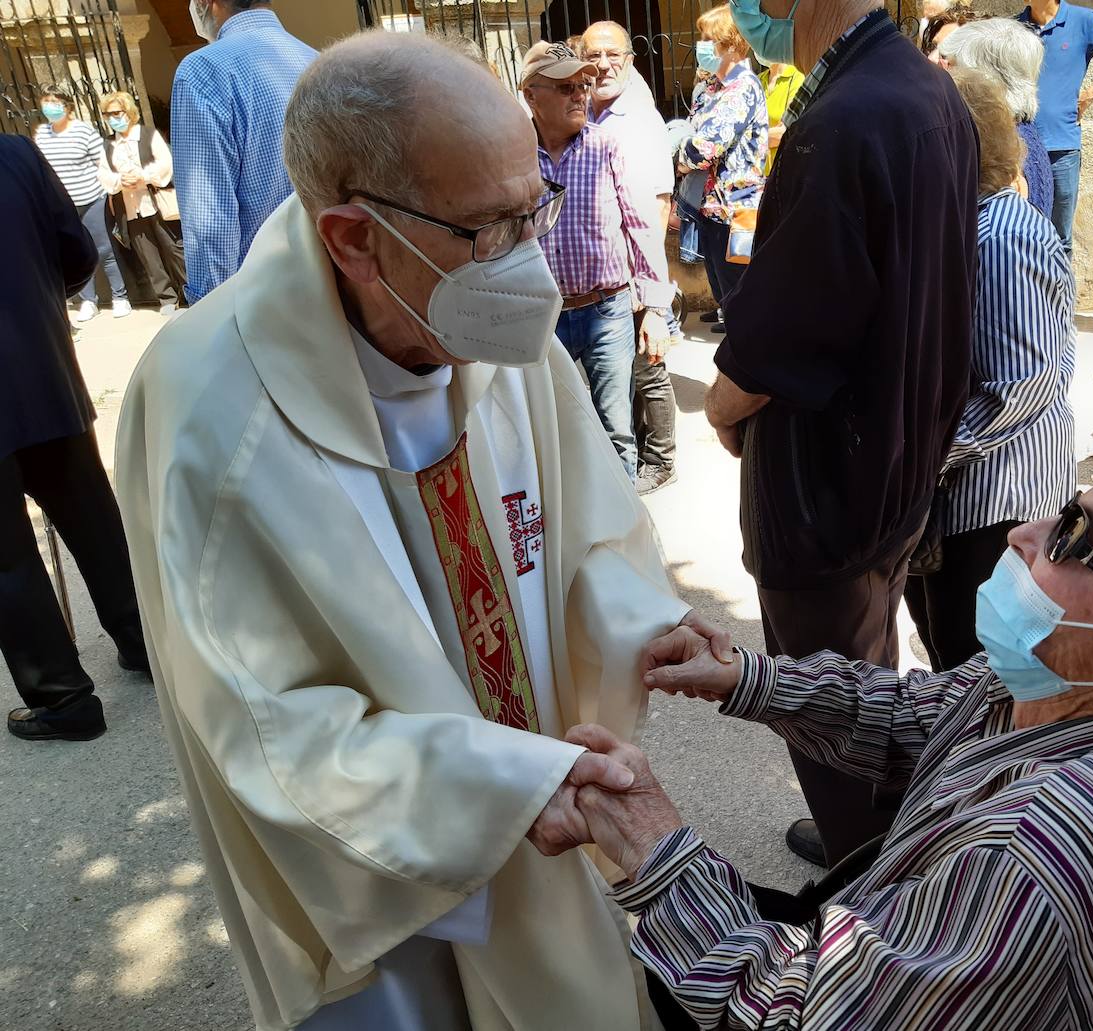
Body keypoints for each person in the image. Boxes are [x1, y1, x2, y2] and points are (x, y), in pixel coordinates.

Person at [116, 31, 717, 1030]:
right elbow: (264, 729)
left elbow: (581, 532)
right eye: (487, 230)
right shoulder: (208, 410)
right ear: (352, 237)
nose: (527, 262)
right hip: (382, 891)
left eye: (535, 208)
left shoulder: (498, 326)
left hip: (541, 813)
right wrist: (500, 789)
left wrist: (640, 621)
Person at [573, 438, 1093, 1030]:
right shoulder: (1064, 688)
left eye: (1074, 539)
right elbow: (920, 715)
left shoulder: (1038, 854)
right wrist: (748, 677)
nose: (1026, 529)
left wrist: (652, 843)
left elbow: (802, 1015)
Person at [704, 0, 978, 868]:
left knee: (825, 684)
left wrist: (719, 404)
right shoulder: (926, 94)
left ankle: (870, 873)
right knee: (868, 667)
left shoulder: (849, 117)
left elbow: (776, 340)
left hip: (830, 488)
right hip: (893, 466)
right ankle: (871, 828)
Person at [905, 68, 1076, 673]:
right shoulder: (967, 225)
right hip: (974, 493)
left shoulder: (999, 232)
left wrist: (922, 458)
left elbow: (1021, 382)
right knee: (957, 659)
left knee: (984, 673)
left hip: (998, 501)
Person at [1, 134, 149, 743]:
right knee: (90, 514)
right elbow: (76, 254)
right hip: (39, 368)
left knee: (6, 557)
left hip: (35, 366)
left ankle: (64, 699)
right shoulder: (14, 154)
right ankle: (144, 639)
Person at [521, 41, 673, 480]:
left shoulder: (605, 146)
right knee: (551, 431)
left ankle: (625, 535)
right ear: (531, 94)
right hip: (543, 319)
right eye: (566, 87)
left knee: (616, 431)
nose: (580, 95)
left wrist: (655, 309)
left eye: (582, 86)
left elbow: (640, 227)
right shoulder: (512, 156)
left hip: (607, 312)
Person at [580, 21, 682, 495]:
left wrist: (650, 293)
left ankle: (661, 460)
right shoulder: (583, 113)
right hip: (607, 275)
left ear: (630, 60)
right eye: (593, 54)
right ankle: (639, 449)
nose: (602, 64)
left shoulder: (638, 122)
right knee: (625, 373)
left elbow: (657, 206)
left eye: (612, 55)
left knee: (649, 365)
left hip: (636, 274)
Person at [173, 0, 316, 303]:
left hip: (259, 297)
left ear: (208, 4)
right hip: (325, 281)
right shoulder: (315, 60)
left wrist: (208, 310)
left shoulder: (202, 71)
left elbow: (209, 217)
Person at [1018, 0, 1093, 257]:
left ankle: (1059, 298)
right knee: (1022, 234)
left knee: (1060, 239)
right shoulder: (1014, 28)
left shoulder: (1083, 21)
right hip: (1021, 150)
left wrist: (1091, 94)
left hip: (1062, 150)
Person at [678, 5, 768, 333]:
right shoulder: (719, 88)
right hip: (714, 208)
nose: (702, 46)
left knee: (738, 294)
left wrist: (680, 159)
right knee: (726, 293)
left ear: (732, 44)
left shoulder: (742, 88)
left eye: (708, 39)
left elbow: (703, 146)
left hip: (735, 208)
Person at [33, 85, 129, 322]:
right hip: (63, 206)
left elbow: (103, 163)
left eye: (55, 102)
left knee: (103, 249)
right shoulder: (42, 134)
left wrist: (112, 189)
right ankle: (88, 300)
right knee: (75, 252)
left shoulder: (83, 131)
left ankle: (120, 297)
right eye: (46, 102)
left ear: (67, 106)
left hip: (91, 199)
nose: (51, 107)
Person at [939, 19, 1053, 217]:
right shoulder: (1017, 134)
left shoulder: (1004, 151)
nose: (944, 72)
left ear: (984, 78)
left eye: (951, 65)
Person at [100, 91, 185, 316]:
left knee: (174, 250)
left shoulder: (148, 135)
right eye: (108, 114)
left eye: (117, 113)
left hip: (157, 204)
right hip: (130, 209)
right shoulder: (108, 144)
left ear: (128, 112)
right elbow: (104, 174)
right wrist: (120, 181)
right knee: (149, 256)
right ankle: (167, 298)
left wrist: (143, 177)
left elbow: (166, 163)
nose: (112, 118)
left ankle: (191, 292)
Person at [762, 61, 803, 174]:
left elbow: (787, 133)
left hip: (782, 174)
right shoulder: (757, 79)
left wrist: (750, 137)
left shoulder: (797, 76)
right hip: (752, 178)